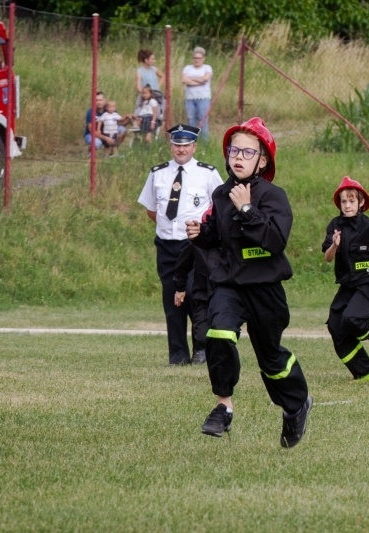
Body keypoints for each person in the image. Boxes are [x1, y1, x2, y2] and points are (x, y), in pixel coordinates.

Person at [186, 117, 313, 448]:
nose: (238, 157)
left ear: (263, 160)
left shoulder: (274, 196)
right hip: (229, 285)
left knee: (271, 359)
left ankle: (296, 405)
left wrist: (246, 208)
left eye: (247, 152)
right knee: (218, 333)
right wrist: (201, 234)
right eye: (233, 150)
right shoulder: (221, 194)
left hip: (265, 288)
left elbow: (275, 241)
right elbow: (218, 238)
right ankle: (223, 406)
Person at [137, 124, 223, 366]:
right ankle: (178, 355)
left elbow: (220, 208)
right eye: (177, 145)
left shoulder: (207, 174)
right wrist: (169, 228)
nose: (181, 150)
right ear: (171, 146)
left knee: (196, 295)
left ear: (194, 146)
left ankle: (201, 349)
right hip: (167, 246)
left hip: (195, 245)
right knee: (171, 300)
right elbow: (151, 210)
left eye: (186, 145)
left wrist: (204, 234)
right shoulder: (158, 173)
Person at [322, 176, 369, 382]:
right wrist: (334, 245)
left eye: (351, 201)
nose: (347, 205)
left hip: (366, 284)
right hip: (347, 285)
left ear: (361, 202)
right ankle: (364, 372)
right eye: (343, 201)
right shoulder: (335, 225)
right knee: (335, 325)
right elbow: (327, 257)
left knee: (351, 318)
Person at [172, 207, 216, 365]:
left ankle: (219, 352)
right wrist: (180, 288)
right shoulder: (196, 243)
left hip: (225, 290)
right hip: (202, 291)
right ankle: (200, 351)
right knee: (201, 324)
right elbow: (182, 266)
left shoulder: (230, 240)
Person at [181, 47, 213, 141]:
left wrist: (191, 79)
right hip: (190, 98)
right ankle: (191, 141)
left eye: (199, 58)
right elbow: (184, 80)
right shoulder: (187, 68)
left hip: (203, 98)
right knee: (190, 120)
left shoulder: (207, 68)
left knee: (203, 120)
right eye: (195, 58)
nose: (197, 60)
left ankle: (205, 142)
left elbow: (205, 78)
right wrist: (199, 81)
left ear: (203, 58)